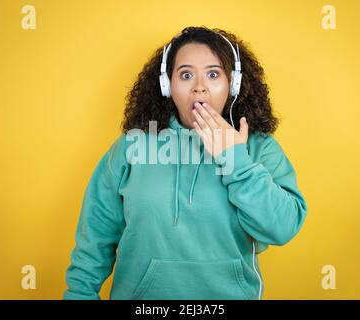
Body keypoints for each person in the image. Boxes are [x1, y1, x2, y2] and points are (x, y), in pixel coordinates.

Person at [63, 26, 308, 300]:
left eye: (213, 74)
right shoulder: (132, 147)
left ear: (233, 84)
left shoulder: (258, 147)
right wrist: (79, 295)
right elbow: (95, 236)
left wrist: (235, 158)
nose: (199, 86)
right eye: (186, 74)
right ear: (167, 86)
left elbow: (282, 227)